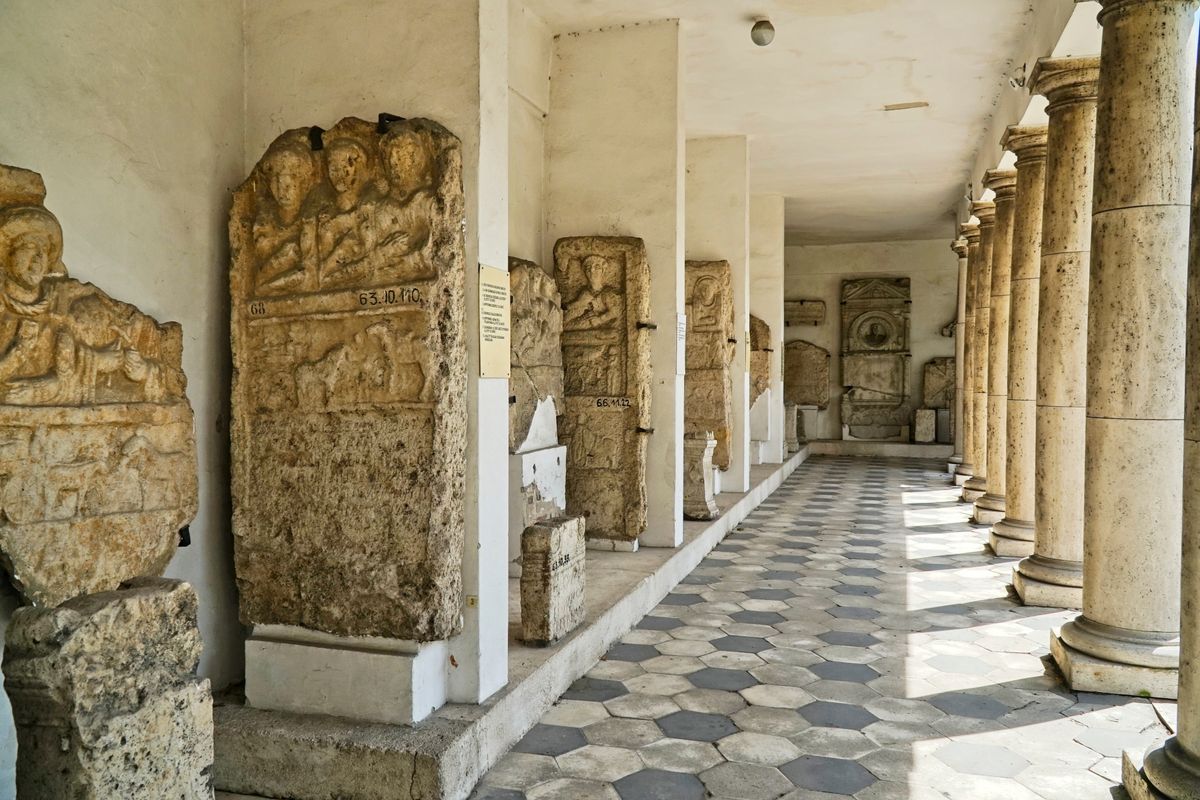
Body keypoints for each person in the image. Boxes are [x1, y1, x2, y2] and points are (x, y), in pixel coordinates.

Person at [0, 204, 184, 405]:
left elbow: (135, 328)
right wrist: (19, 351)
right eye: (28, 247)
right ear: (7, 253)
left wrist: (145, 371)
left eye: (43, 250)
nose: (37, 259)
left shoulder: (64, 297)